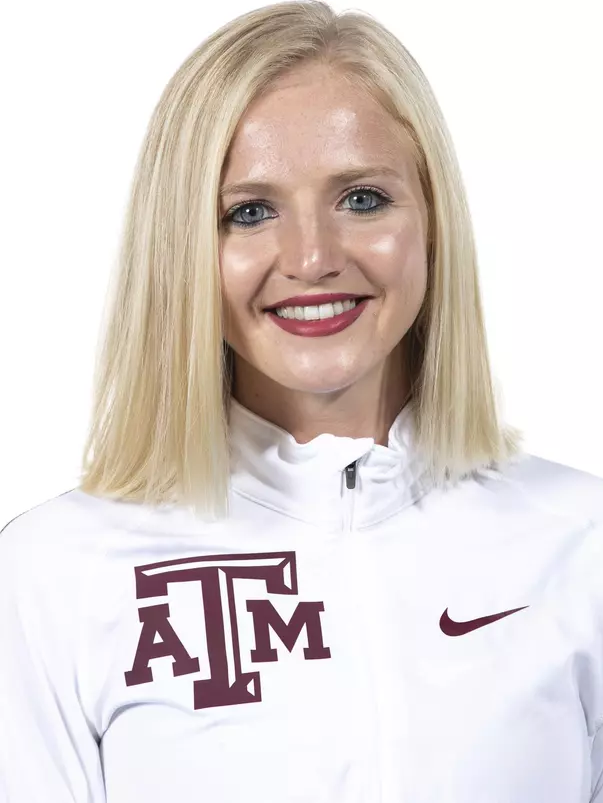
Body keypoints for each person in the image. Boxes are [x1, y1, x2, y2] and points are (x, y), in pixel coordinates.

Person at [1, 1, 602, 801]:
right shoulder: (53, 572)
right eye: (248, 212)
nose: (312, 257)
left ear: (432, 221)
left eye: (362, 198)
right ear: (182, 249)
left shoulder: (579, 542)